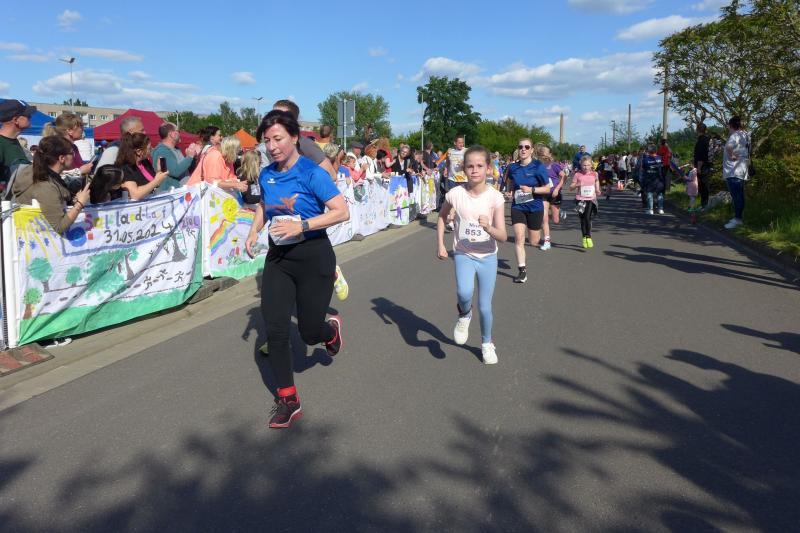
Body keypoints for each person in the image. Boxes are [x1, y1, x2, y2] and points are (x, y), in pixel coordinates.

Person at [244, 110, 349, 429]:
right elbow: (265, 205)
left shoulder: (312, 173)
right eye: (267, 141)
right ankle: (288, 400)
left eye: (278, 139)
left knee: (308, 332)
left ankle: (329, 331)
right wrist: (254, 230)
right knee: (276, 329)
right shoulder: (267, 174)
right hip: (279, 259)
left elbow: (341, 211)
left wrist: (302, 225)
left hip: (314, 257)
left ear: (294, 137)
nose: (272, 146)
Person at [436, 145, 507, 364]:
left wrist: (489, 228)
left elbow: (503, 236)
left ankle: (487, 343)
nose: (474, 170)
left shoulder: (495, 197)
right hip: (463, 253)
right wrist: (440, 244)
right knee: (464, 292)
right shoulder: (455, 194)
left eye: (479, 166)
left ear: (488, 168)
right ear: (463, 169)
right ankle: (465, 314)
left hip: (488, 257)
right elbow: (441, 216)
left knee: (485, 306)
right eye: (470, 166)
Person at [12, 135, 90, 234]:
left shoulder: (37, 171)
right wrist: (80, 203)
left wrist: (75, 199)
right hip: (37, 237)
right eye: (72, 153)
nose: (74, 156)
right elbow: (59, 226)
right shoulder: (45, 186)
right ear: (62, 158)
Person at [506, 138, 551, 283]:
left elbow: (547, 188)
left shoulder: (538, 166)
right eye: (520, 147)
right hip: (518, 207)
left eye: (526, 147)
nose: (523, 149)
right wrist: (510, 192)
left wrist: (532, 189)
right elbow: (510, 182)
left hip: (535, 207)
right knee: (519, 238)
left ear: (531, 150)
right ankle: (522, 271)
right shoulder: (513, 167)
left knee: (533, 241)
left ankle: (539, 238)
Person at [115, 132, 170, 200]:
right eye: (149, 148)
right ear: (139, 151)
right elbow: (135, 195)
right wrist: (156, 181)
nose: (152, 149)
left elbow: (153, 185)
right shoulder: (125, 168)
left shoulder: (145, 162)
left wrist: (159, 172)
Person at [152, 122, 199, 190]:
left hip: (182, 191)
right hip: (171, 192)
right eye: (178, 131)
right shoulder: (162, 151)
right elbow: (175, 172)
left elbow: (186, 170)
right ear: (172, 134)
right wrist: (189, 157)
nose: (180, 134)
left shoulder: (176, 149)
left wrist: (193, 158)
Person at [0, 99, 35, 189]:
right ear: (16, 120)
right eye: (27, 115)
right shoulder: (2, 143)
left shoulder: (14, 141)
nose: (30, 117)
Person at [722, 116, 750, 229]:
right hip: (742, 170)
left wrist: (732, 156)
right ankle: (738, 218)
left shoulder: (734, 135)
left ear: (731, 125)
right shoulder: (745, 135)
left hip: (733, 170)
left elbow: (729, 147)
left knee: (736, 196)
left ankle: (737, 219)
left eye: (728, 126)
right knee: (740, 195)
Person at [538, 145, 566, 250]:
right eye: (541, 154)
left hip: (554, 194)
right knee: (544, 218)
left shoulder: (554, 165)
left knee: (555, 220)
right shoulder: (538, 166)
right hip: (543, 194)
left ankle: (560, 210)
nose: (543, 155)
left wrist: (557, 189)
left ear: (550, 154)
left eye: (545, 153)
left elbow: (564, 176)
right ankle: (547, 241)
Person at [569, 155, 600, 248]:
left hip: (591, 199)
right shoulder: (577, 175)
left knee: (587, 217)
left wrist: (597, 189)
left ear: (591, 165)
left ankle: (588, 237)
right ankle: (584, 237)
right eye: (584, 165)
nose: (586, 167)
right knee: (582, 219)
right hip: (580, 199)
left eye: (588, 165)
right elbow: (571, 188)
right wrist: (577, 184)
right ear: (581, 165)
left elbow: (596, 181)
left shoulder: (594, 174)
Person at [639, 143, 665, 215]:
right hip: (659, 179)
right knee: (660, 194)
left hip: (649, 179)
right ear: (656, 150)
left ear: (649, 151)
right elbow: (663, 168)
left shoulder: (645, 159)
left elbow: (642, 169)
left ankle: (650, 209)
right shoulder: (660, 158)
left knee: (649, 193)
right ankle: (660, 209)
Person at [693, 123, 712, 210]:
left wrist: (699, 168)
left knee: (703, 185)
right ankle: (704, 204)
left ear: (697, 130)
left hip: (702, 166)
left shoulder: (701, 141)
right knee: (705, 185)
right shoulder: (708, 139)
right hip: (708, 164)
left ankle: (704, 204)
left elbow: (700, 156)